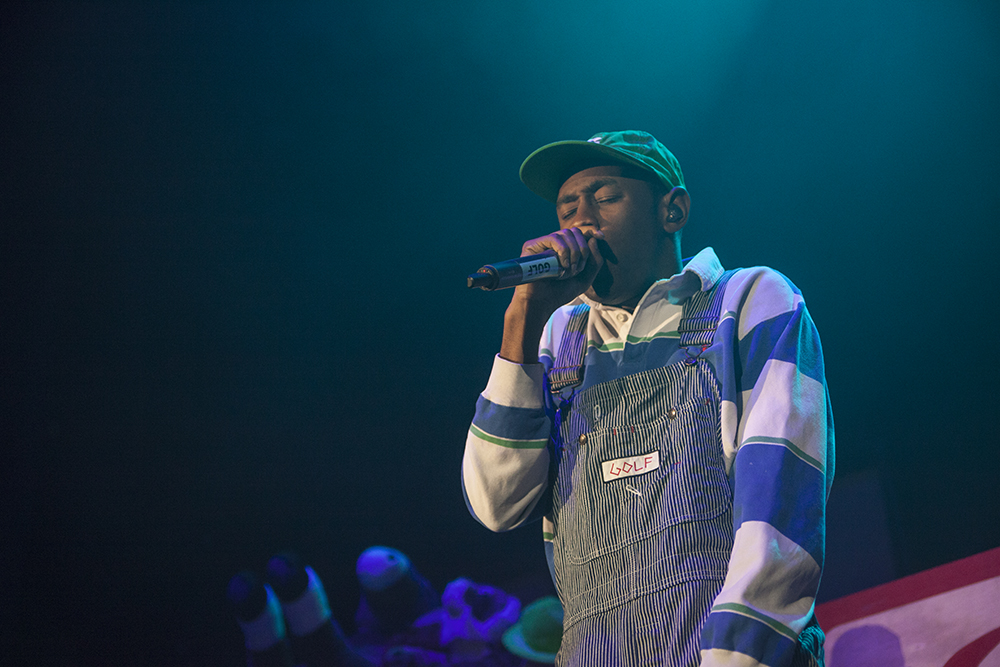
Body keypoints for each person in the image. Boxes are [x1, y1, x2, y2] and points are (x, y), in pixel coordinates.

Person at [461, 131, 834, 666]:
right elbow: (495, 504)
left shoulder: (748, 300)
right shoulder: (557, 338)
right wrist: (521, 319)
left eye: (604, 197)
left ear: (672, 211)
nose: (581, 220)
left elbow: (781, 506)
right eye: (567, 206)